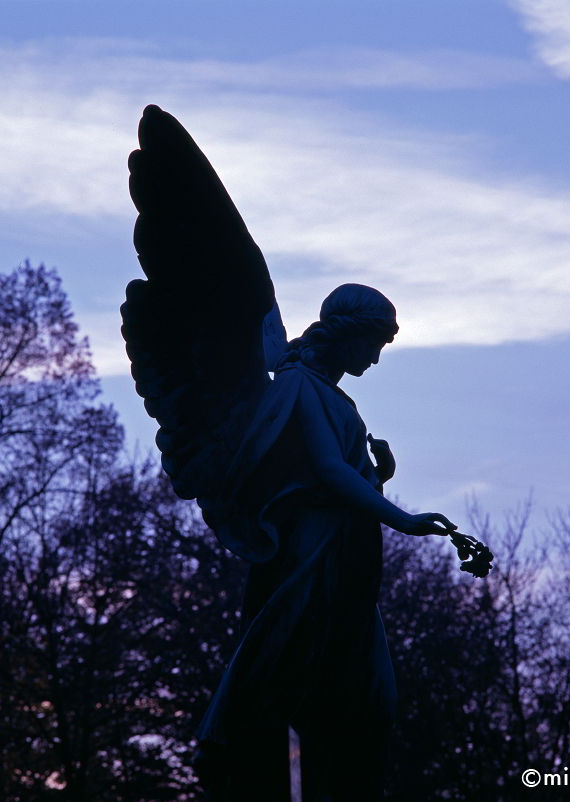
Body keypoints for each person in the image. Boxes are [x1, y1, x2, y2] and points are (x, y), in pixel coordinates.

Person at [195, 283, 456, 801]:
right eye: (375, 344)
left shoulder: (333, 394)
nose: (377, 359)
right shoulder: (298, 384)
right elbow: (330, 471)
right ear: (348, 336)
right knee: (286, 687)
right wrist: (402, 520)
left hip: (347, 553)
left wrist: (378, 476)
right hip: (310, 559)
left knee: (368, 697)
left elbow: (340, 479)